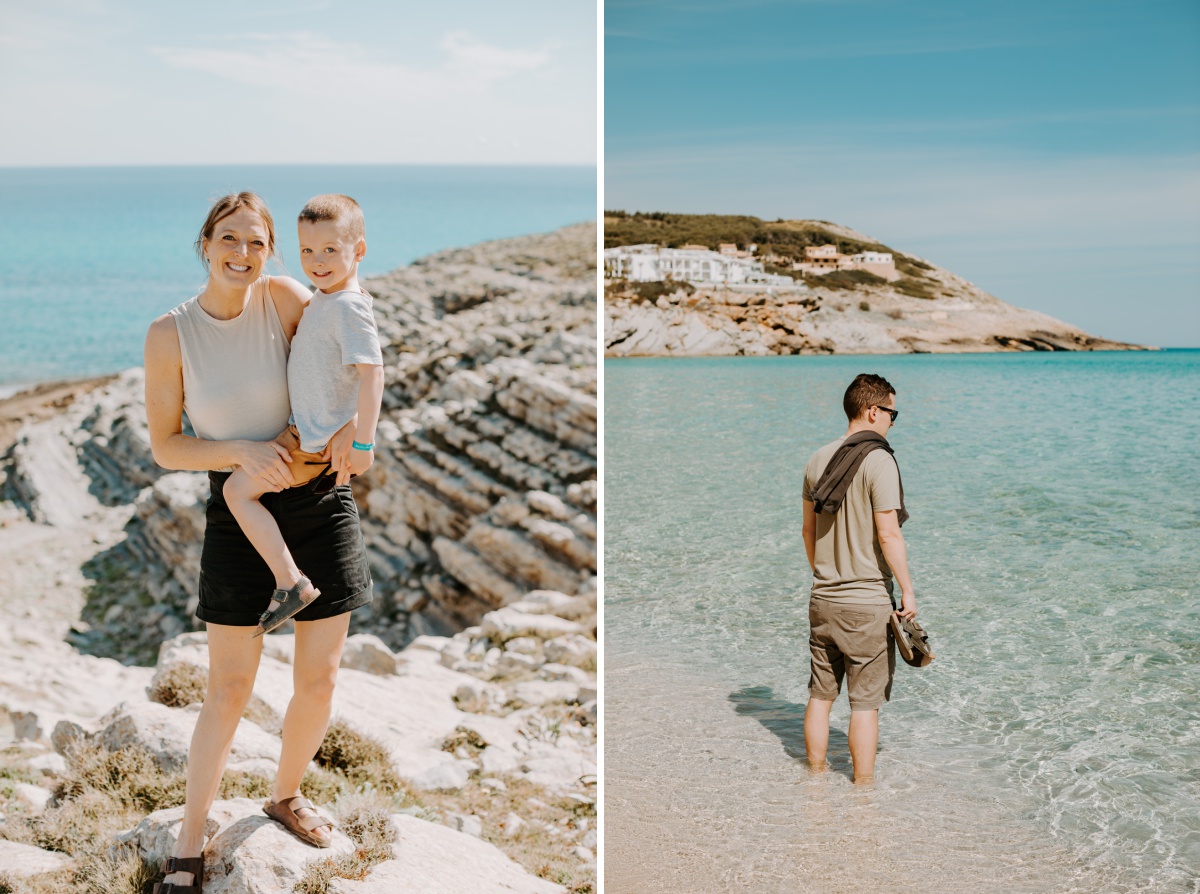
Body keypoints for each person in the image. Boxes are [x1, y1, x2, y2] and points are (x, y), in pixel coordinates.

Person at [144, 192, 374, 893]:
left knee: (320, 678)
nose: (242, 254)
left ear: (271, 251)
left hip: (320, 502)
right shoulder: (169, 333)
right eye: (228, 239)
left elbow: (347, 355)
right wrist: (241, 452)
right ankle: (190, 840)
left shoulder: (284, 296)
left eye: (255, 242)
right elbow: (165, 447)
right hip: (242, 517)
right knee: (229, 688)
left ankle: (286, 794)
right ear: (205, 243)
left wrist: (356, 433)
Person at [222, 194, 383, 638]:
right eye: (307, 251)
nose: (317, 261)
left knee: (238, 492)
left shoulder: (348, 306)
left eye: (331, 249)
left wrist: (363, 441)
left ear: (359, 251)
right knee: (242, 488)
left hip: (310, 443)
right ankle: (288, 580)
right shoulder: (326, 299)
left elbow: (373, 375)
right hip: (303, 434)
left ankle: (290, 582)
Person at [801, 373, 916, 785]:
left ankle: (814, 779)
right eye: (892, 413)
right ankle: (863, 792)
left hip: (822, 598)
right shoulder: (879, 460)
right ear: (873, 410)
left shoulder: (818, 459)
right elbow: (888, 533)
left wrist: (825, 574)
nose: (891, 421)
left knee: (820, 696)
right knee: (864, 706)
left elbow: (807, 532)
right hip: (866, 604)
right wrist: (907, 590)